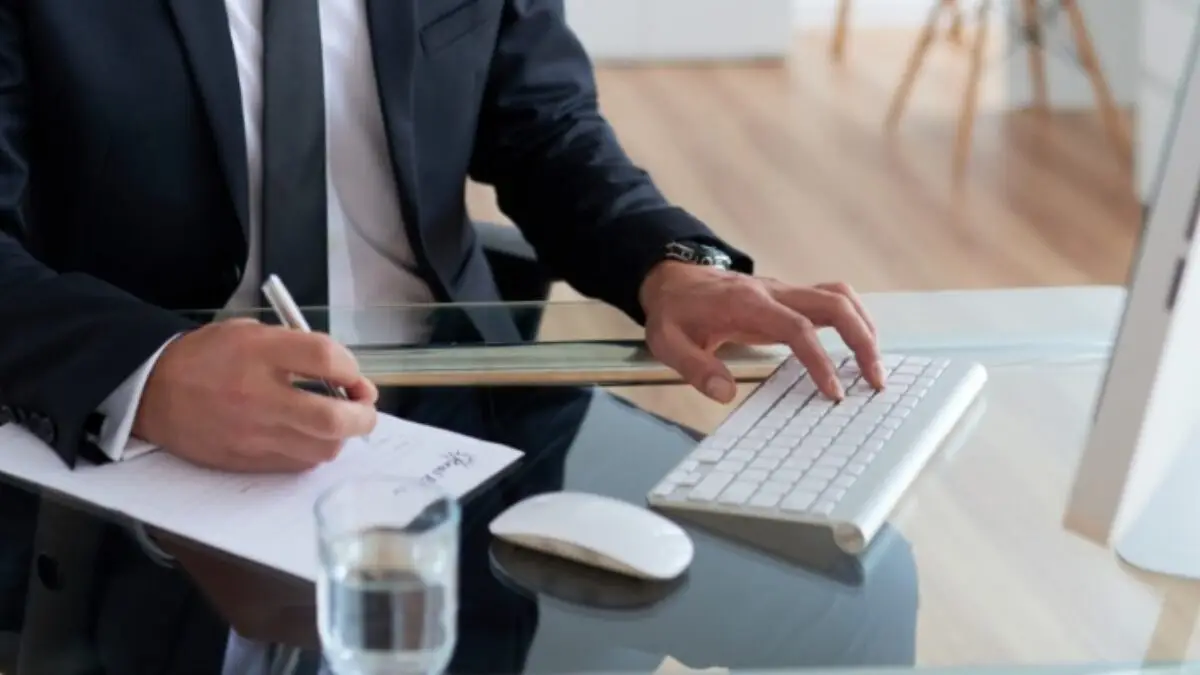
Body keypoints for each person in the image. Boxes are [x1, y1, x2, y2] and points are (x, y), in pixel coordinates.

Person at [0, 0, 886, 670]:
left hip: (460, 406)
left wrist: (672, 261)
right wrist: (151, 371)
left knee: (867, 597)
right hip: (137, 453)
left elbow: (546, 124)